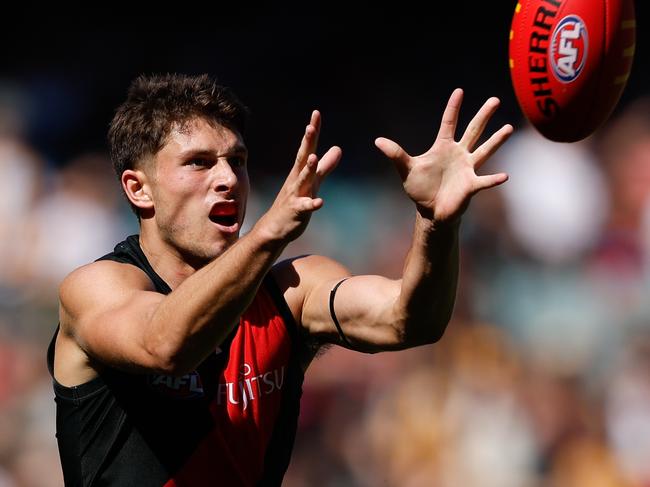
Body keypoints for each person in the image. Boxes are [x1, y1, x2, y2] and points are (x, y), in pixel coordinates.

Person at [47, 73, 512, 486]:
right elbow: (165, 346)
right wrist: (269, 233)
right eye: (199, 163)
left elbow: (410, 321)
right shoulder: (96, 289)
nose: (228, 177)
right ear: (138, 188)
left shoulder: (292, 291)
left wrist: (436, 222)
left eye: (238, 160)